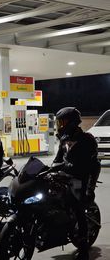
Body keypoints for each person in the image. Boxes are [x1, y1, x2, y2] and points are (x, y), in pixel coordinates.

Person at [53, 107, 100, 260]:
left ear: (72, 122)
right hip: (64, 177)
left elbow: (93, 165)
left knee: (77, 208)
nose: (60, 125)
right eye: (59, 122)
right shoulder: (63, 139)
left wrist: (90, 188)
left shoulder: (87, 139)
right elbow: (58, 160)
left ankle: (84, 248)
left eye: (62, 122)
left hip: (81, 180)